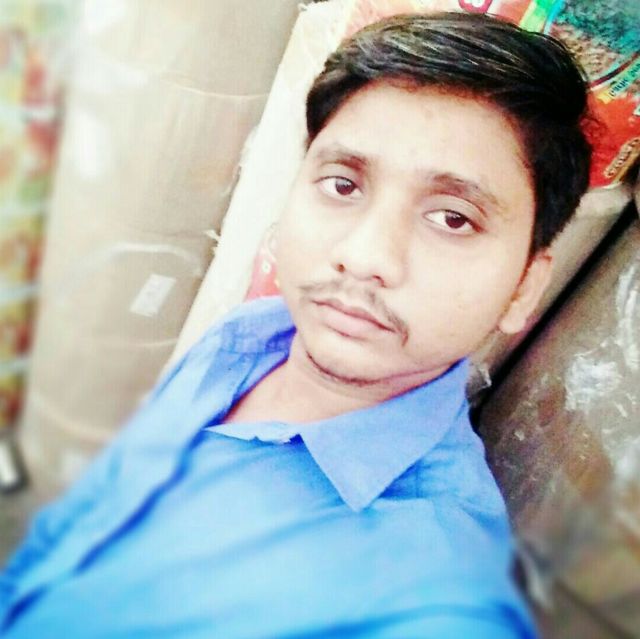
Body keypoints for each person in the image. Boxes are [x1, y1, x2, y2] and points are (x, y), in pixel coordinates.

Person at [0, 11, 591, 638]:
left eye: (453, 219)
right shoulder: (251, 337)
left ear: (524, 287)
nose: (364, 255)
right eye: (343, 185)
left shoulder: (431, 597)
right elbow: (89, 519)